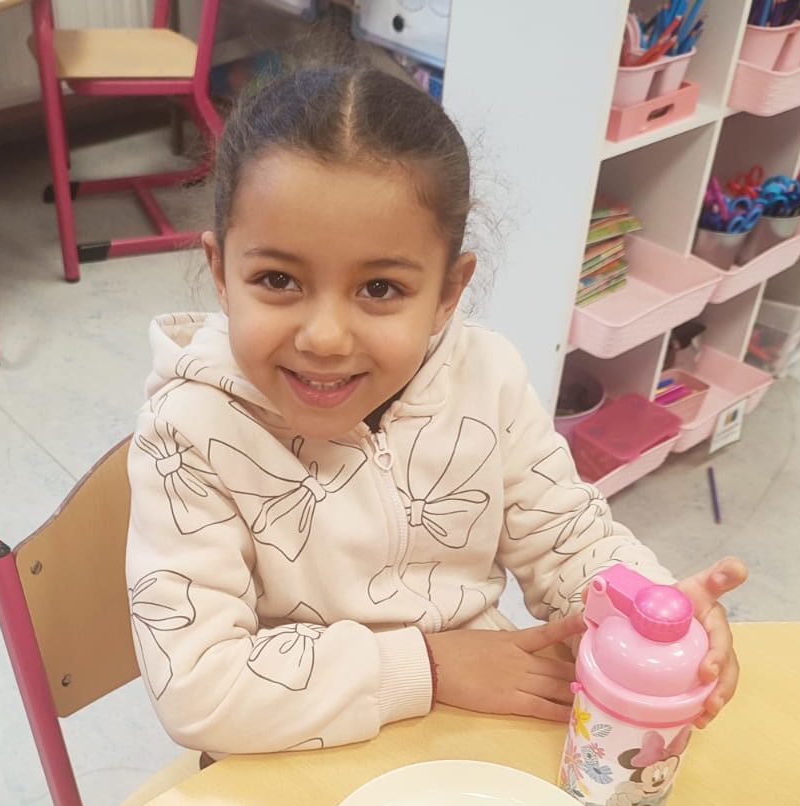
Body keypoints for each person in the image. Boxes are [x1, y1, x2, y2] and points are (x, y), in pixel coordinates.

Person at [126, 65, 745, 756]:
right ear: (220, 273)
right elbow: (198, 690)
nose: (325, 337)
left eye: (380, 289)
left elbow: (566, 538)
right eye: (278, 280)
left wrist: (650, 612)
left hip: (474, 733)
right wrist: (430, 666)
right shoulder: (187, 433)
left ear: (449, 292)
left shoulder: (488, 375)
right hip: (286, 753)